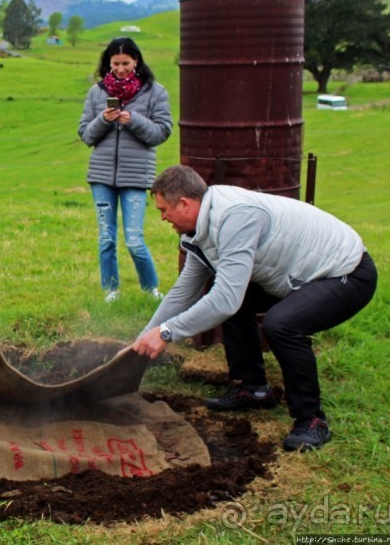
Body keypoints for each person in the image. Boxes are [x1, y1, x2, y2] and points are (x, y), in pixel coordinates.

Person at [131, 165, 377, 451]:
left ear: (184, 203)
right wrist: (146, 336)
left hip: (345, 273)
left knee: (281, 324)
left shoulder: (236, 217)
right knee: (232, 299)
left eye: (163, 210)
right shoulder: (199, 230)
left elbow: (225, 300)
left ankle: (311, 420)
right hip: (296, 276)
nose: (162, 218)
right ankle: (254, 390)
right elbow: (184, 291)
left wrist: (167, 332)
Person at [78, 36, 173, 303]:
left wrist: (133, 120)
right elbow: (86, 135)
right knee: (106, 238)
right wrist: (104, 119)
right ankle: (111, 291)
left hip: (136, 176)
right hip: (102, 176)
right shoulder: (97, 93)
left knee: (134, 239)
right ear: (107, 63)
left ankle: (151, 289)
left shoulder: (156, 92)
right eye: (115, 63)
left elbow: (161, 132)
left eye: (126, 63)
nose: (120, 69)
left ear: (137, 62)